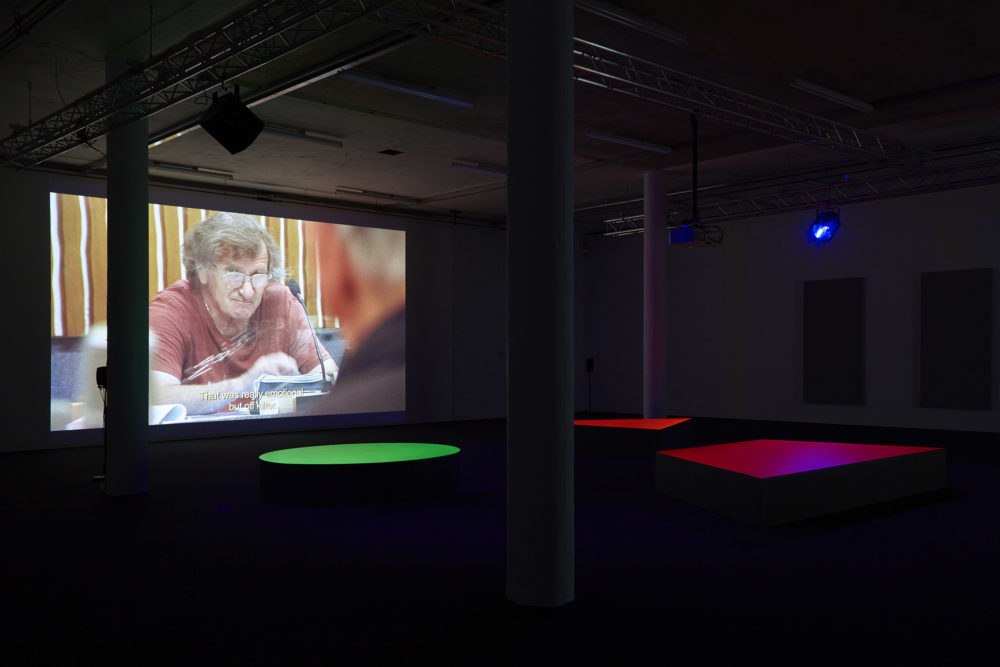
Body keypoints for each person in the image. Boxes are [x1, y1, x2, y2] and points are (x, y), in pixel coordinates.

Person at [149, 212, 337, 415]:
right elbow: (156, 397)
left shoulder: (281, 301)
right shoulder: (170, 311)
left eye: (258, 275)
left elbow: (329, 375)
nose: (248, 291)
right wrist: (245, 383)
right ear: (202, 270)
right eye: (233, 273)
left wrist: (293, 389)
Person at [310, 223, 405, 415]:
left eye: (259, 275)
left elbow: (321, 364)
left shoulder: (332, 428)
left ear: (334, 259)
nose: (248, 290)